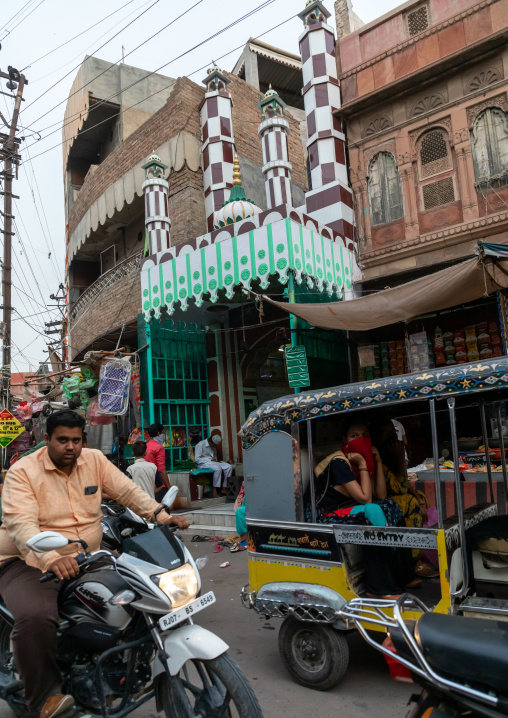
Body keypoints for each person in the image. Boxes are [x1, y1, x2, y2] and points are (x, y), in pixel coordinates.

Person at [0, 410, 189, 718]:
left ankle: (119, 661)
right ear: (46, 439)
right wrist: (51, 558)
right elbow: (21, 524)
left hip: (87, 555)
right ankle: (44, 699)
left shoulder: (95, 461)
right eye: (62, 440)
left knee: (141, 588)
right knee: (36, 616)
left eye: (76, 440)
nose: (70, 447)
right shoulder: (23, 471)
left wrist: (162, 516)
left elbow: (127, 492)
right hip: (28, 559)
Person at [145, 424, 171, 491]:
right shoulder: (159, 448)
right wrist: (169, 487)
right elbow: (161, 470)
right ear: (158, 433)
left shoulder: (145, 446)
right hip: (156, 483)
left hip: (144, 481)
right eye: (162, 432)